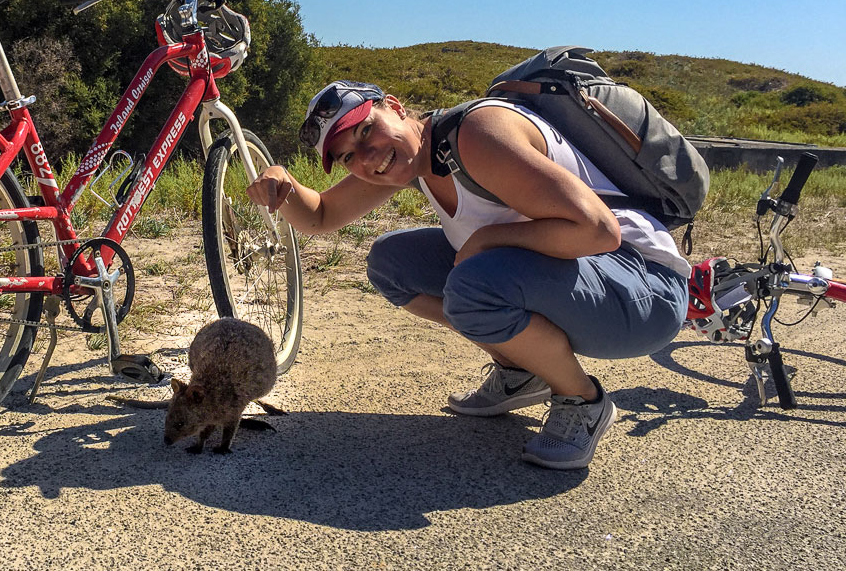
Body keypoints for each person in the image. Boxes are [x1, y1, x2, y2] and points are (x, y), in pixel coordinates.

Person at [245, 80, 688, 470]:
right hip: (584, 276)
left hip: (644, 289)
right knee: (391, 264)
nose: (366, 157)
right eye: (347, 156)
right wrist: (282, 183)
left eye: (365, 130)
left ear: (396, 108)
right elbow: (321, 216)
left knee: (474, 283)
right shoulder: (411, 161)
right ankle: (521, 370)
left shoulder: (477, 134)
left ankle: (582, 400)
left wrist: (484, 241)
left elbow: (598, 231)